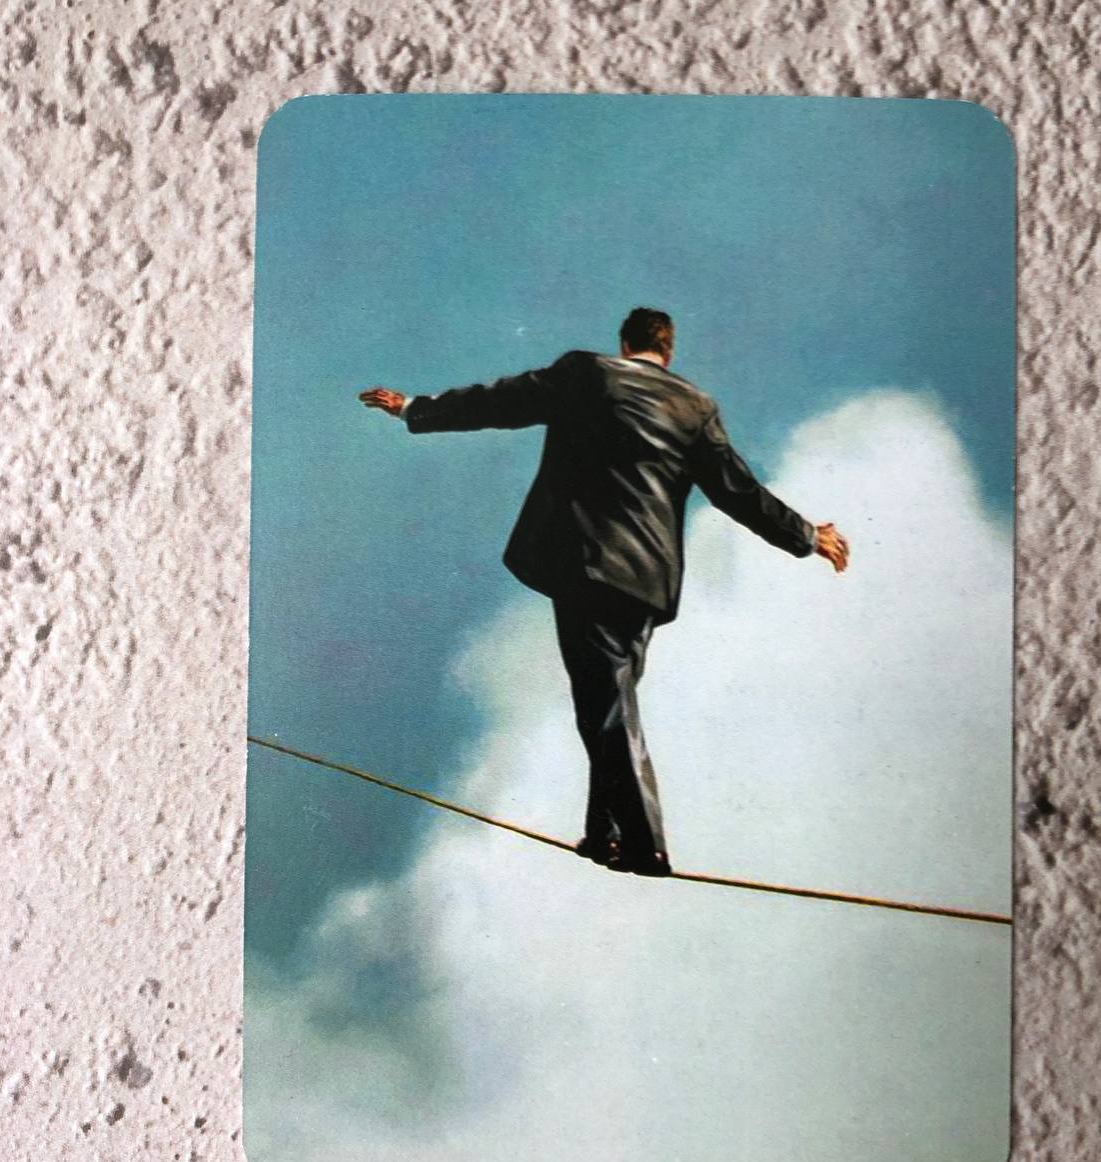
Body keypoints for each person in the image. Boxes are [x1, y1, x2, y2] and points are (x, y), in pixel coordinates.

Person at [359, 308, 849, 877]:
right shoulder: (695, 407)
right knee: (607, 700)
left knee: (605, 705)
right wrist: (807, 535)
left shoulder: (588, 374)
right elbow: (738, 490)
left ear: (624, 343)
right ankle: (605, 834)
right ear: (668, 351)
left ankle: (644, 841)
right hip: (649, 582)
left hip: (589, 563)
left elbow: (500, 402)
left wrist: (415, 408)